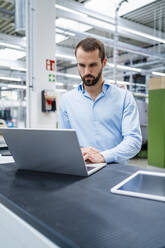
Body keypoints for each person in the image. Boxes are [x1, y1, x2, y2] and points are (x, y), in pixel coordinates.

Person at [58, 37, 142, 164]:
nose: (86, 72)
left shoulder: (124, 97)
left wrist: (104, 156)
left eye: (92, 65)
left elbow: (133, 141)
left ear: (104, 62)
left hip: (115, 172)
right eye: (81, 65)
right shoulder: (67, 100)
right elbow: (64, 142)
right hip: (83, 170)